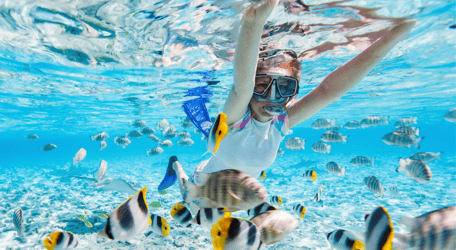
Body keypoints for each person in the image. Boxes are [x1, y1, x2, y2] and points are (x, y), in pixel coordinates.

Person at [159, 0, 415, 210]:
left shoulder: (281, 123)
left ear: (292, 93)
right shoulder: (237, 120)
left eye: (284, 88)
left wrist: (388, 41)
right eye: (262, 85)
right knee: (186, 194)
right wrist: (252, 23)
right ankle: (175, 165)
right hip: (202, 186)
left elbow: (328, 91)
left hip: (237, 200)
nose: (271, 97)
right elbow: (241, 88)